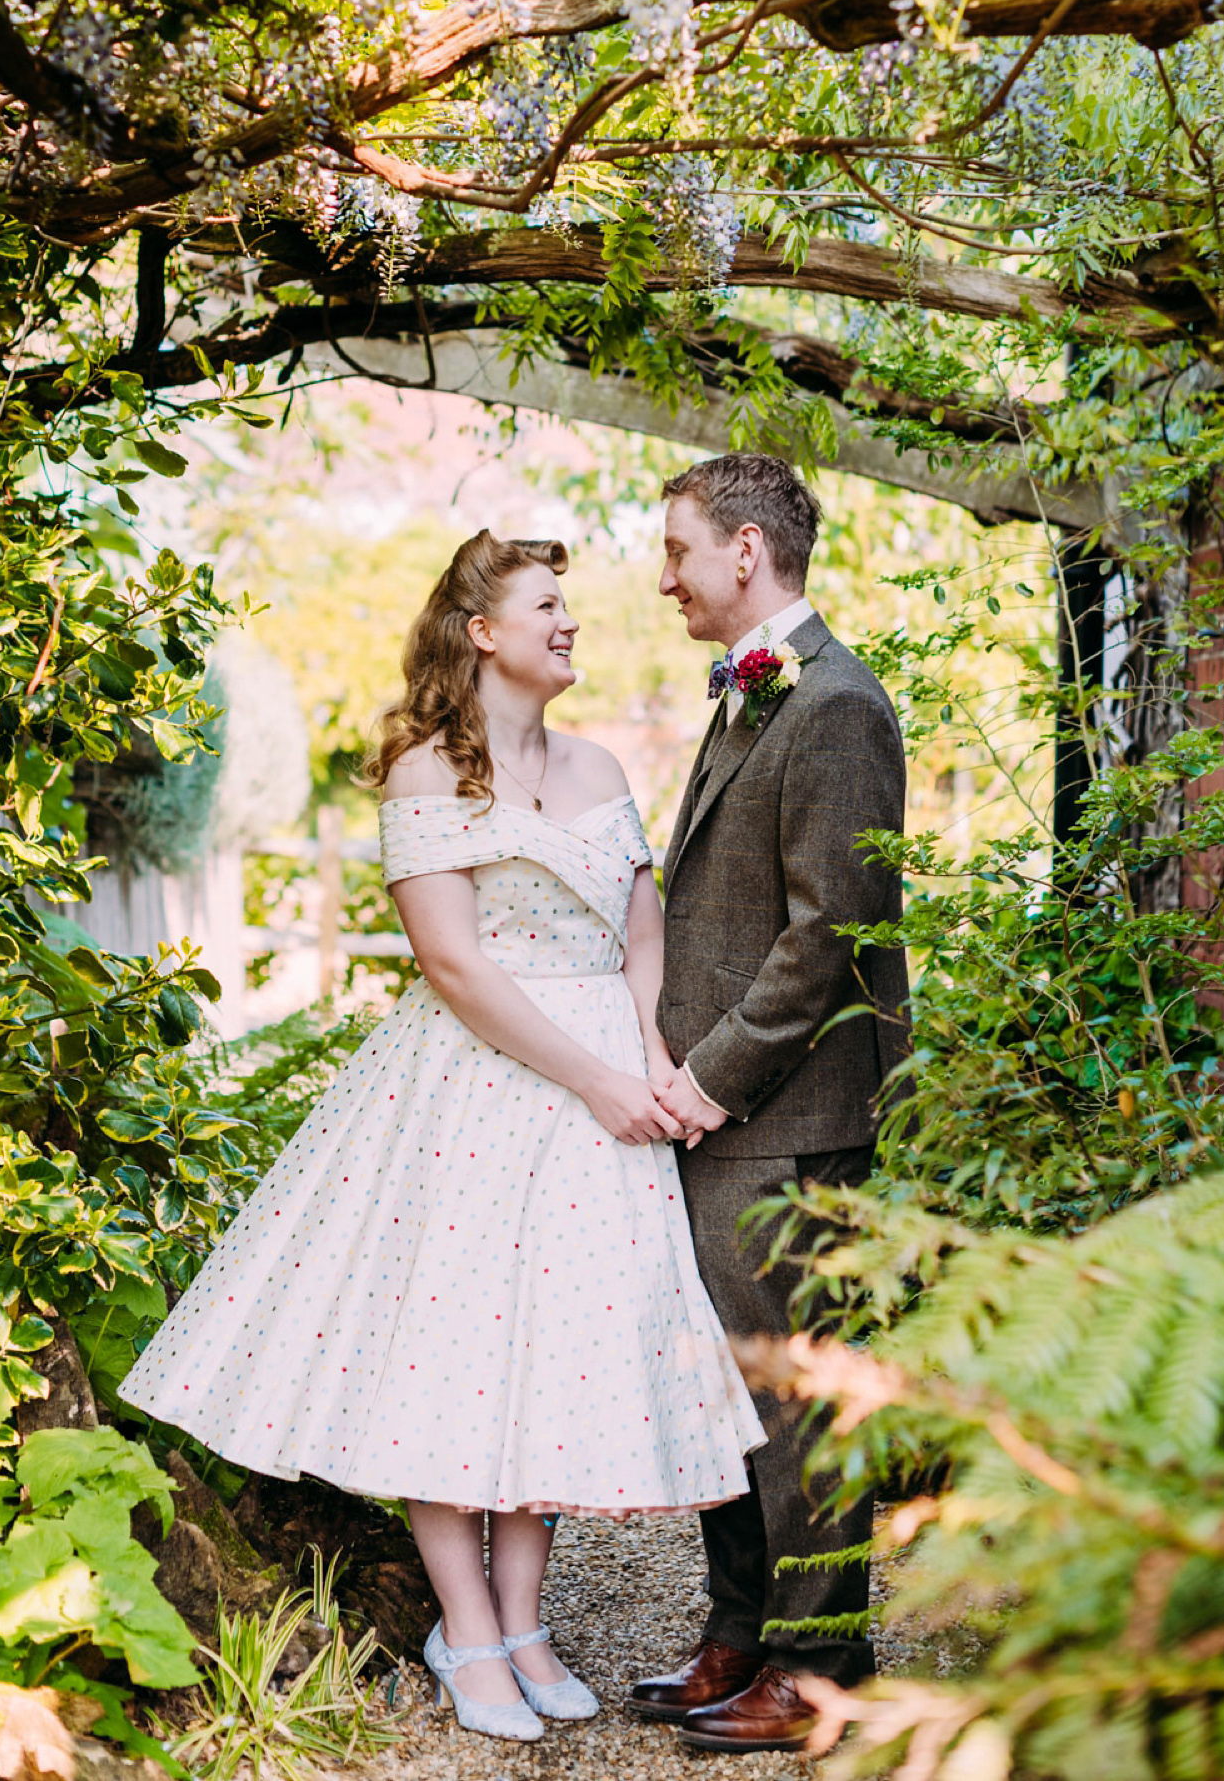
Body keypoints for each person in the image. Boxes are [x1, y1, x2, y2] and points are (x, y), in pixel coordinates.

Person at [119, 531, 763, 1743]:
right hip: (477, 1084)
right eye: (548, 605)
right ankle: (463, 1627)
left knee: (552, 1355)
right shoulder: (425, 773)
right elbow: (456, 968)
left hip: (603, 1094)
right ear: (483, 631)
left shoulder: (600, 766)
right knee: (453, 1353)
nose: (572, 622)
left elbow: (643, 941)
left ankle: (527, 1623)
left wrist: (651, 1065)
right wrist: (591, 1080)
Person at [627, 453, 910, 1755]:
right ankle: (739, 1627)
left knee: (792, 1398)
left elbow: (832, 931)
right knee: (716, 1388)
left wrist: (705, 1075)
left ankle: (814, 1665)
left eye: (678, 547)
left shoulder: (839, 703)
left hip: (790, 1116)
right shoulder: (758, 691)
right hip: (728, 1113)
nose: (666, 573)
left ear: (747, 549)